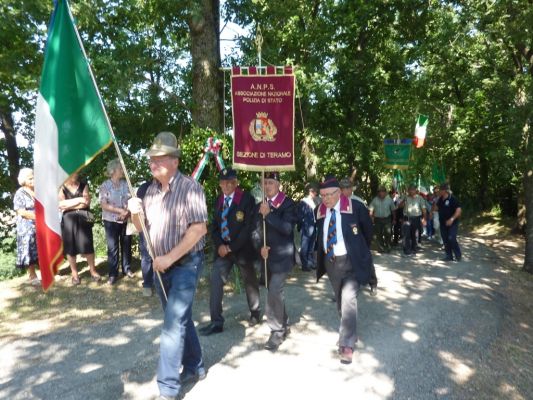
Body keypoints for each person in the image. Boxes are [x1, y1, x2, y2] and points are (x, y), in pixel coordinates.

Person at [128, 131, 208, 400]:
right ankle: (196, 365)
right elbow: (140, 229)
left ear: (174, 161)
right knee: (180, 318)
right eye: (151, 158)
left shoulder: (190, 188)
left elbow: (198, 230)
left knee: (173, 325)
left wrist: (169, 258)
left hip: (185, 264)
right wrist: (134, 212)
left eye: (160, 157)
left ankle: (168, 389)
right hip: (161, 267)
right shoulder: (147, 191)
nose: (153, 162)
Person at [315, 176, 373, 364]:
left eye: (329, 195)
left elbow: (368, 232)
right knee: (341, 300)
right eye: (322, 195)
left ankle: (346, 343)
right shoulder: (320, 211)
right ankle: (350, 330)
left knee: (349, 298)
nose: (326, 199)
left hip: (351, 262)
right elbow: (319, 234)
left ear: (339, 192)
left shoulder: (356, 208)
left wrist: (360, 251)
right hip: (332, 262)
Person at [199, 168, 261, 336]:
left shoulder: (246, 199)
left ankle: (255, 312)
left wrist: (231, 247)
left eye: (229, 182)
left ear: (235, 183)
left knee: (250, 281)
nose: (225, 185)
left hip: (242, 249)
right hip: (223, 250)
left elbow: (248, 228)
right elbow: (215, 226)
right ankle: (216, 322)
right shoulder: (219, 200)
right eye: (222, 183)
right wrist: (220, 245)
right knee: (215, 280)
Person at [252, 171, 297, 351]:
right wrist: (259, 248)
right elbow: (255, 232)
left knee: (274, 290)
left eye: (271, 182)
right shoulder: (260, 205)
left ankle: (277, 331)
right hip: (266, 257)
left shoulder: (288, 204)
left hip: (283, 256)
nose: (267, 186)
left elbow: (287, 228)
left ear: (278, 185)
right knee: (273, 290)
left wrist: (269, 214)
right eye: (265, 183)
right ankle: (283, 321)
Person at [59, 173, 101, 285]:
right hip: (68, 221)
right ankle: (74, 274)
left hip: (83, 219)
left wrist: (70, 205)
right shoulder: (61, 187)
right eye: (74, 172)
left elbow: (86, 203)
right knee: (70, 247)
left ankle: (93, 271)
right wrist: (79, 200)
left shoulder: (84, 185)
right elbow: (60, 205)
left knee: (87, 244)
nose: (76, 174)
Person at [99, 159, 133, 285]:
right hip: (110, 221)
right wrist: (120, 210)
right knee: (113, 247)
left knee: (126, 244)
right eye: (120, 168)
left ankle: (127, 269)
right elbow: (104, 204)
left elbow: (131, 200)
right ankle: (113, 274)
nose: (122, 171)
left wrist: (127, 211)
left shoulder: (125, 184)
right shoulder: (105, 185)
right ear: (113, 171)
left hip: (125, 219)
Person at [13, 168, 40, 285]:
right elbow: (22, 212)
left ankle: (48, 270)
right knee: (29, 250)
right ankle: (32, 275)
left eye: (33, 177)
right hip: (27, 226)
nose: (33, 179)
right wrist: (38, 217)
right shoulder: (19, 193)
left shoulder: (38, 191)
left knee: (43, 247)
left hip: (41, 225)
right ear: (23, 180)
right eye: (30, 178)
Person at [435, 183, 462, 261]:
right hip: (443, 223)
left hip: (452, 223)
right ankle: (449, 256)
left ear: (444, 190)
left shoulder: (453, 199)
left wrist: (452, 219)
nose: (439, 191)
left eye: (440, 190)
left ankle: (458, 255)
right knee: (445, 239)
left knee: (451, 238)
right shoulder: (440, 199)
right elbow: (436, 208)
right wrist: (435, 202)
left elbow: (459, 210)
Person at [297, 183, 319, 271]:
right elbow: (299, 216)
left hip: (313, 226)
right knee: (305, 247)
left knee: (311, 247)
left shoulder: (314, 202)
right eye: (315, 192)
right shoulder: (303, 202)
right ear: (310, 192)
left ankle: (310, 263)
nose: (316, 194)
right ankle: (304, 265)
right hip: (306, 227)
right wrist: (302, 225)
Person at [137, 180, 154, 297]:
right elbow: (138, 208)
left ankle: (162, 281)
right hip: (146, 226)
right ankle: (147, 284)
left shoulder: (169, 185)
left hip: (163, 227)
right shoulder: (144, 187)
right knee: (146, 256)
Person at [400, 185, 426, 255]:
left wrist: (424, 218)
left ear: (415, 190)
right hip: (407, 218)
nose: (411, 191)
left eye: (413, 189)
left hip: (416, 218)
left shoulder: (420, 198)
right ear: (408, 191)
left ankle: (414, 248)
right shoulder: (405, 198)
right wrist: (403, 201)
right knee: (406, 234)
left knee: (414, 234)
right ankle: (407, 250)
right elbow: (400, 206)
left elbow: (423, 209)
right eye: (410, 190)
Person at [369, 186, 396, 253]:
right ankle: (381, 247)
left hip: (387, 219)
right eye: (380, 192)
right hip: (378, 219)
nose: (381, 193)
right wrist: (371, 218)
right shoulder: (375, 200)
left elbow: (393, 210)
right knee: (379, 234)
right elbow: (370, 210)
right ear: (378, 193)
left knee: (388, 233)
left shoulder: (389, 200)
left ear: (385, 192)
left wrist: (394, 219)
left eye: (382, 191)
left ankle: (388, 246)